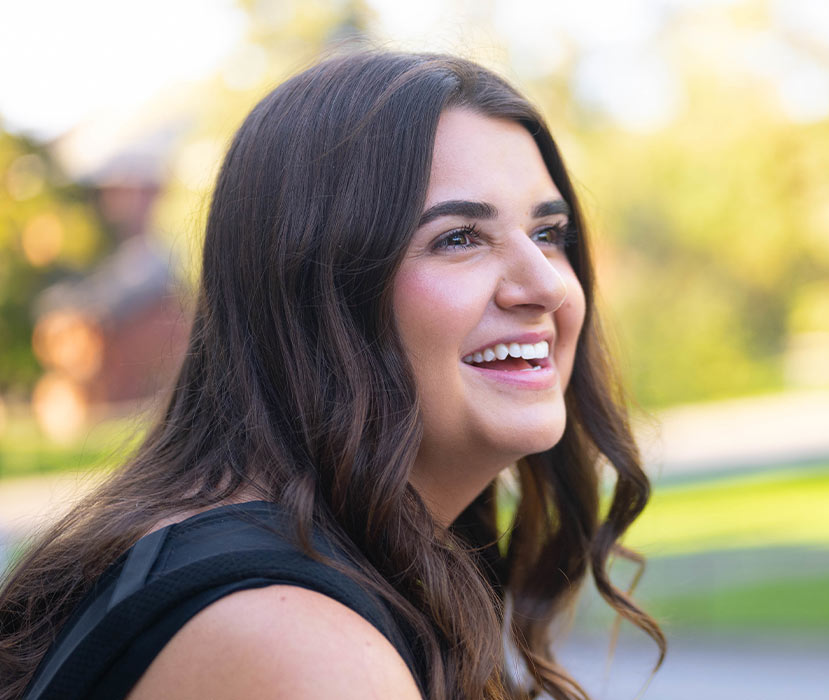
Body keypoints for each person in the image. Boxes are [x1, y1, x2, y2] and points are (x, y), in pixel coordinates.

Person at [0, 51, 663, 700]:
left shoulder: (281, 565)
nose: (545, 284)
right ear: (318, 295)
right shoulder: (299, 644)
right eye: (459, 238)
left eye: (549, 234)